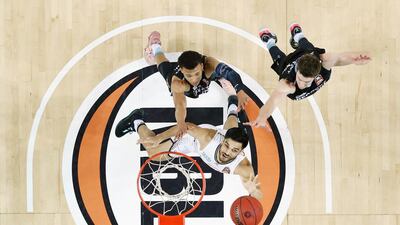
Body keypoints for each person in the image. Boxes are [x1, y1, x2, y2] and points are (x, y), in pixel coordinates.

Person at [115, 94, 262, 199]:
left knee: (230, 126)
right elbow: (187, 127)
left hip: (218, 137)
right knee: (153, 154)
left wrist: (252, 192)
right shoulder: (208, 138)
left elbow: (256, 192)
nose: (227, 152)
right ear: (223, 141)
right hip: (192, 139)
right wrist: (158, 138)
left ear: (241, 152)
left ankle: (232, 106)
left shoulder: (244, 168)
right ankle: (136, 121)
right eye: (227, 146)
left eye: (235, 150)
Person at [246, 23, 371, 128]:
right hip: (286, 66)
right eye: (301, 79)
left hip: (307, 53)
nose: (303, 84)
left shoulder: (322, 62)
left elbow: (339, 59)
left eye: (307, 82)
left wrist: (354, 60)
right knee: (277, 56)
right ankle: (270, 41)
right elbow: (272, 101)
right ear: (297, 70)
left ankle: (297, 35)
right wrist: (262, 117)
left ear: (317, 73)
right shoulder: (287, 84)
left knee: (307, 45)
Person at [143, 31, 249, 138]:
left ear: (202, 66)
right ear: (182, 70)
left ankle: (221, 80)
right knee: (161, 63)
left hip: (206, 76)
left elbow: (230, 73)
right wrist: (180, 123)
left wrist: (239, 91)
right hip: (185, 86)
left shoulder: (209, 63)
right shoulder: (177, 82)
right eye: (189, 75)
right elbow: (180, 105)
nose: (194, 79)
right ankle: (155, 46)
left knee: (222, 74)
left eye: (197, 73)